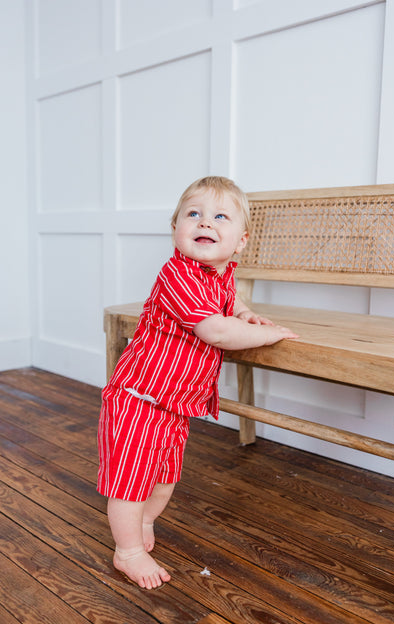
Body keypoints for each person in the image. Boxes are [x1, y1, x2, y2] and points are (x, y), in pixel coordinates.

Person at [97, 176, 298, 590]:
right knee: (132, 479)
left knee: (165, 477)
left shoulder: (220, 273)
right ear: (176, 230)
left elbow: (231, 304)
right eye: (194, 214)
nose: (205, 222)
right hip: (139, 398)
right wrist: (268, 333)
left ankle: (144, 522)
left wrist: (246, 314)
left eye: (219, 216)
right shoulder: (179, 275)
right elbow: (217, 333)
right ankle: (127, 551)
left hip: (175, 404)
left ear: (239, 242)